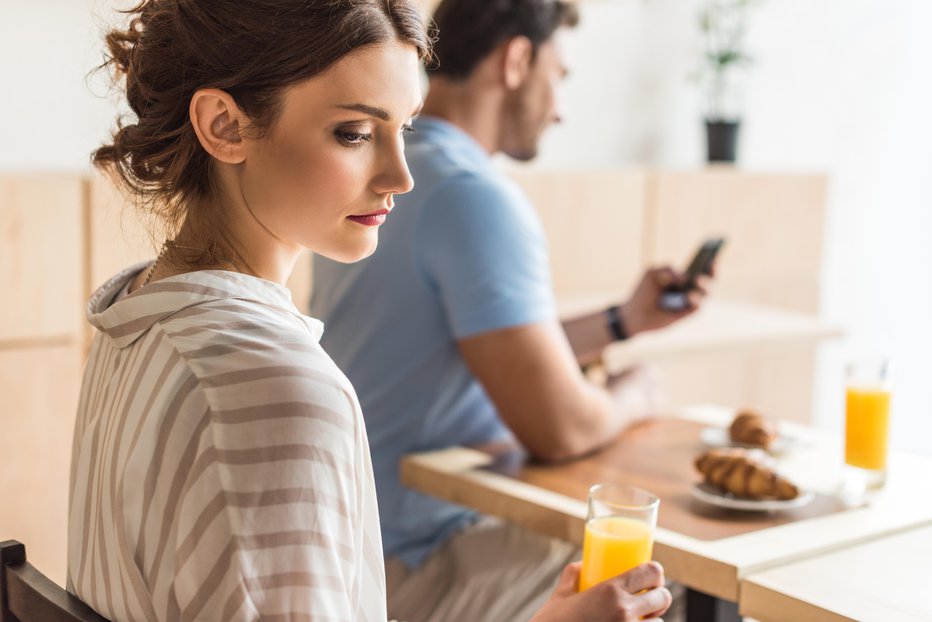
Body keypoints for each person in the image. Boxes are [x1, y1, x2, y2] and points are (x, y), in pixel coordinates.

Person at [69, 1, 672, 621]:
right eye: (354, 133)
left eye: (404, 129)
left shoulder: (131, 315)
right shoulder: (276, 394)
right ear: (224, 125)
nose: (402, 176)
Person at [310, 0, 706, 620]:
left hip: (350, 546)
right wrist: (638, 396)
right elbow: (562, 428)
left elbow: (476, 342)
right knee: (666, 579)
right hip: (409, 564)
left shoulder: (376, 183)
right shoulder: (473, 197)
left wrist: (622, 323)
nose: (561, 108)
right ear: (517, 59)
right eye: (561, 77)